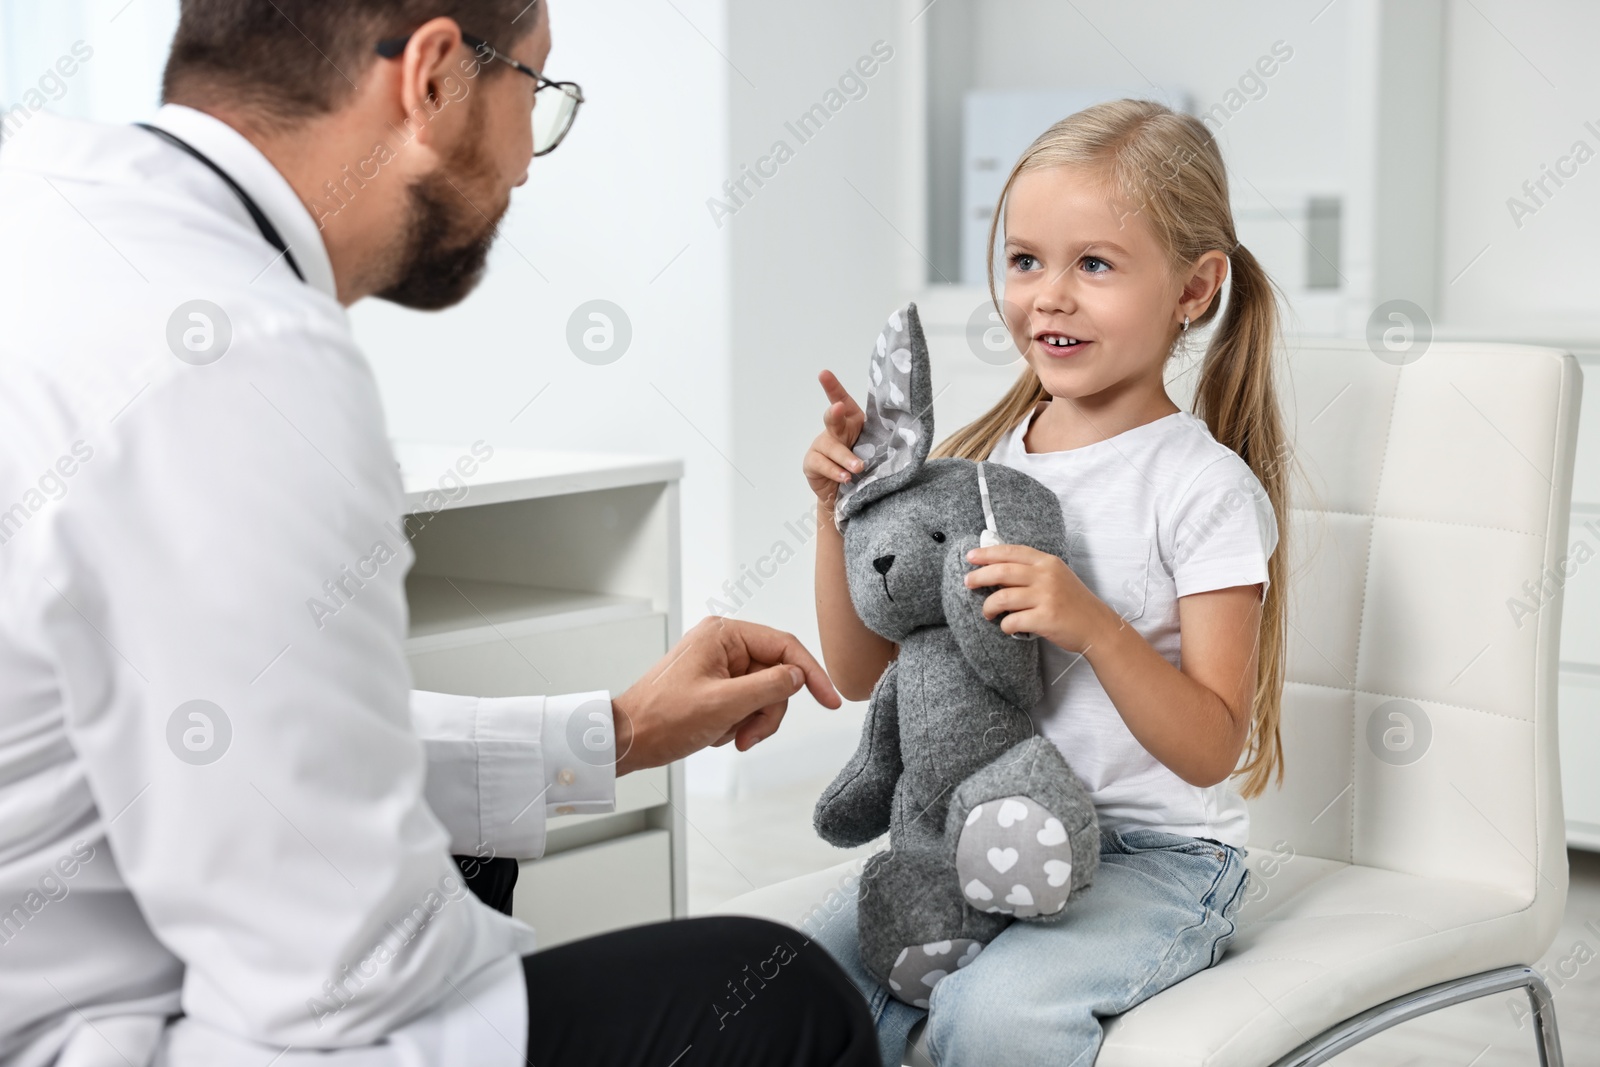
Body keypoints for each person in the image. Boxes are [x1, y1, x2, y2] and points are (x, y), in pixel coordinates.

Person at [0, 2, 876, 1065]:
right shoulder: (247, 356)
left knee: (473, 855)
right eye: (536, 94)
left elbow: (246, 734)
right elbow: (335, 978)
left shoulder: (50, 198)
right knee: (777, 994)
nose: (524, 167)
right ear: (433, 76)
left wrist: (617, 729)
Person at [801, 98, 1290, 1065]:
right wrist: (837, 514)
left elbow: (1211, 745)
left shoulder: (1202, 490)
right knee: (808, 978)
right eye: (1025, 260)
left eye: (1094, 264)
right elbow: (863, 674)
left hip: (1156, 858)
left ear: (1195, 289)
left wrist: (1094, 625)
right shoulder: (973, 470)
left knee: (995, 1014)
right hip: (968, 831)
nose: (1048, 297)